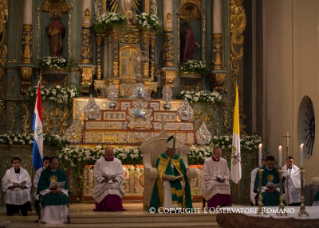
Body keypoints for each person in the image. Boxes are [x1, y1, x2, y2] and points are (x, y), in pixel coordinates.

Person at [149, 136, 192, 212]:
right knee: (166, 185)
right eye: (171, 152)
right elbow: (159, 171)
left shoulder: (178, 158)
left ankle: (178, 208)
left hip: (176, 179)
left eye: (174, 152)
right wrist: (164, 176)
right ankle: (167, 207)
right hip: (166, 179)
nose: (173, 154)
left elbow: (182, 170)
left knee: (181, 184)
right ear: (167, 150)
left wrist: (180, 176)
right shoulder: (161, 158)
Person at [37, 156, 69, 224]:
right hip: (48, 193)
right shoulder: (44, 173)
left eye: (56, 164)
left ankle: (62, 219)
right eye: (53, 163)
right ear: (50, 163)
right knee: (47, 198)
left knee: (63, 197)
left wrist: (61, 191)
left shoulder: (61, 173)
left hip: (59, 192)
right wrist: (50, 191)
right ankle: (47, 219)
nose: (55, 165)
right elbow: (42, 185)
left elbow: (65, 184)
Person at [92, 147, 126, 211]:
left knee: (114, 186)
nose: (109, 156)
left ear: (113, 153)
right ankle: (104, 207)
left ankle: (114, 207)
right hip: (103, 182)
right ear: (105, 153)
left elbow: (120, 174)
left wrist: (116, 179)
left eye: (111, 154)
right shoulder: (99, 162)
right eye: (108, 154)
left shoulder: (118, 162)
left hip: (114, 181)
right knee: (107, 186)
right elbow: (96, 174)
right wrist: (103, 179)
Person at [33, 156, 50, 222]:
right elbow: (36, 182)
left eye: (49, 162)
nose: (47, 164)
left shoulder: (52, 171)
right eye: (46, 163)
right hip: (41, 190)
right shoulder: (39, 171)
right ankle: (40, 217)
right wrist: (43, 188)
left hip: (51, 190)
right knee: (37, 203)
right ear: (43, 163)